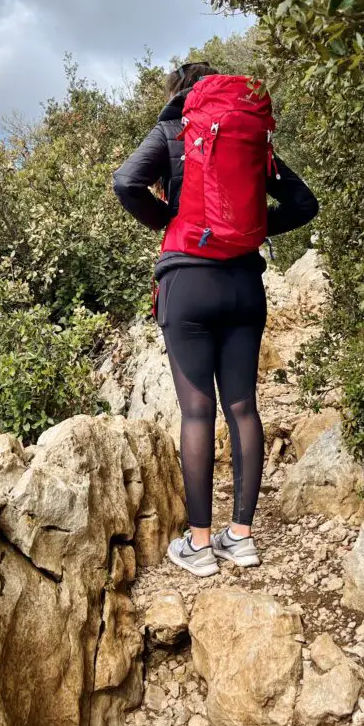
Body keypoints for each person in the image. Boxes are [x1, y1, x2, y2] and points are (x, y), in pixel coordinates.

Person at [113, 62, 318, 576]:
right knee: (244, 407)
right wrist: (252, 228)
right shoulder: (249, 137)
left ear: (180, 94)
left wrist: (171, 220)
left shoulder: (172, 131)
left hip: (189, 283)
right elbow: (303, 202)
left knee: (197, 413)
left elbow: (125, 183)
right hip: (245, 285)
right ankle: (242, 538)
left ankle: (200, 545)